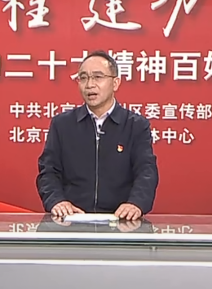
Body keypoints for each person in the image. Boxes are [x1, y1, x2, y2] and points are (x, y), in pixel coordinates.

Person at [36, 51, 158, 220]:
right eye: (83, 78)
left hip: (121, 221)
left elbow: (146, 171)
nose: (89, 85)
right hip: (72, 220)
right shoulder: (62, 125)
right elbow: (48, 171)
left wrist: (136, 203)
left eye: (98, 77)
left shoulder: (136, 126)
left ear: (115, 83)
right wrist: (57, 201)